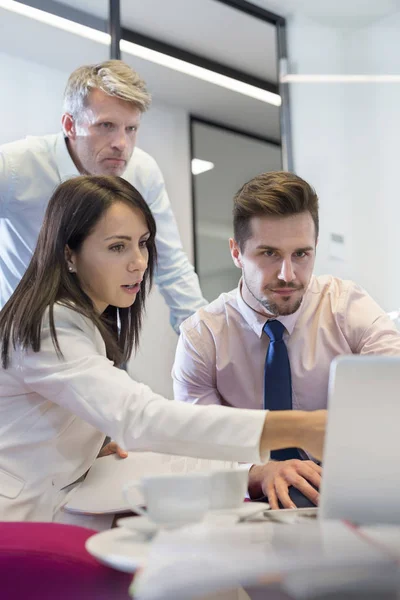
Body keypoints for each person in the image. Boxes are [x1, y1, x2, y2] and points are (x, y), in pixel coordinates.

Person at [0, 175, 326, 522]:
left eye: (143, 243)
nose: (139, 262)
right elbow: (141, 417)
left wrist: (86, 448)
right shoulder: (50, 324)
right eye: (117, 247)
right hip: (19, 522)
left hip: (55, 507)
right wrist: (295, 427)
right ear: (69, 254)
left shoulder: (82, 322)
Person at [172, 171, 400, 510]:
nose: (288, 275)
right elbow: (197, 450)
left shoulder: (347, 307)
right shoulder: (201, 337)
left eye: (301, 255)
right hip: (248, 505)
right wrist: (259, 472)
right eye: (269, 254)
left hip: (348, 491)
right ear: (236, 252)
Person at [0, 59, 206, 331]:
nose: (121, 144)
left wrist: (205, 340)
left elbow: (171, 263)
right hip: (23, 335)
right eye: (106, 126)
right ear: (70, 125)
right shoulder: (16, 167)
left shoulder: (142, 172)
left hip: (102, 333)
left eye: (130, 129)